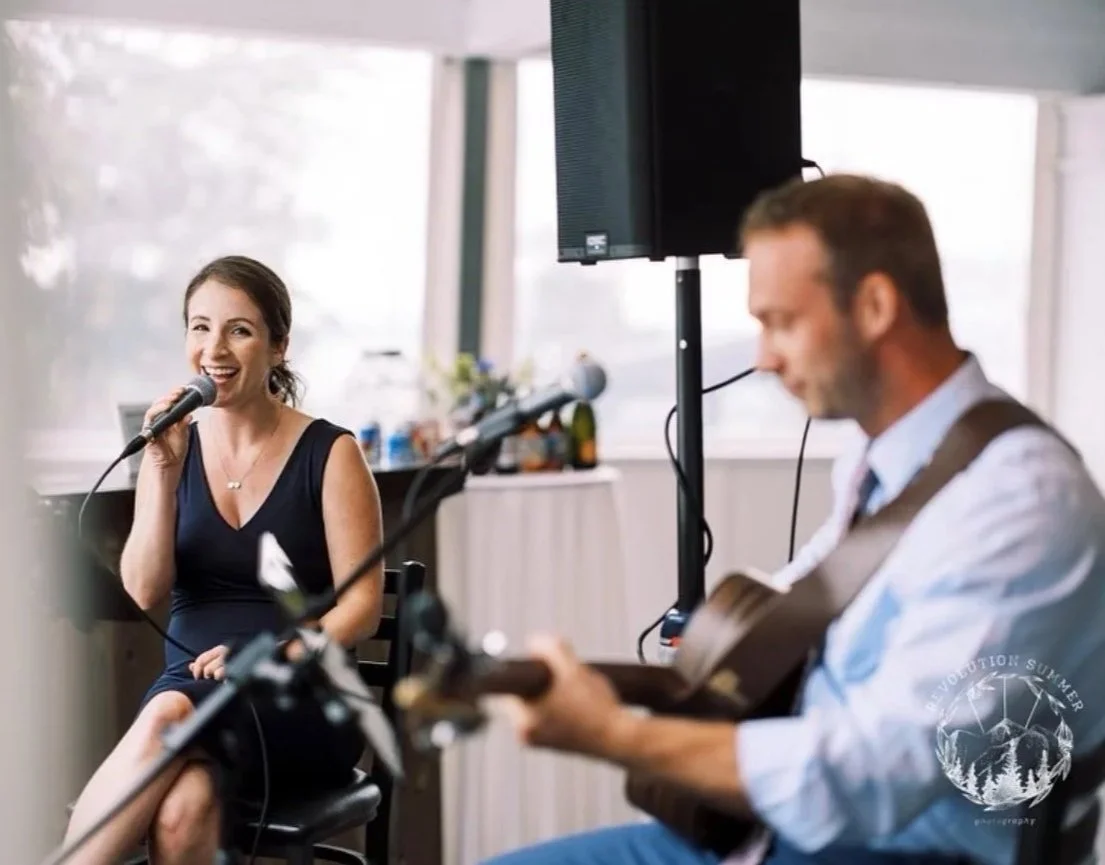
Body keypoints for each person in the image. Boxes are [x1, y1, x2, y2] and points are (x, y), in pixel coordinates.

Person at [481, 175, 1105, 865]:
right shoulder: (885, 457)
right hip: (792, 834)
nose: (762, 357)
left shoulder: (1017, 500)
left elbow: (872, 772)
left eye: (780, 321)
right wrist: (612, 679)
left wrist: (609, 732)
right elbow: (786, 614)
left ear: (872, 305)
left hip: (905, 850)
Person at [62, 255, 385, 864]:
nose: (215, 348)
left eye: (240, 329)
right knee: (184, 811)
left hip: (297, 696)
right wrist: (159, 472)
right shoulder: (172, 445)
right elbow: (142, 587)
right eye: (200, 326)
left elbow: (363, 608)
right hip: (191, 690)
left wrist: (269, 652)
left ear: (279, 346)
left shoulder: (331, 453)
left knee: (164, 718)